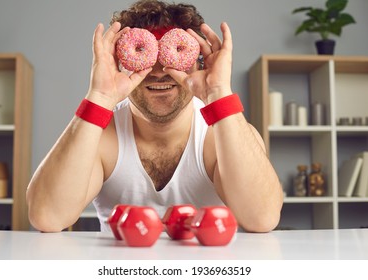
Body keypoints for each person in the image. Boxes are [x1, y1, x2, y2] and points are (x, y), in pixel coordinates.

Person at [26, 0, 283, 233]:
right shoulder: (101, 134)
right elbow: (47, 217)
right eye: (145, 56)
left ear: (199, 63)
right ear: (121, 63)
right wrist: (100, 98)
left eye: (174, 57)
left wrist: (219, 94)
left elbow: (262, 218)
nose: (160, 72)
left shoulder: (224, 133)